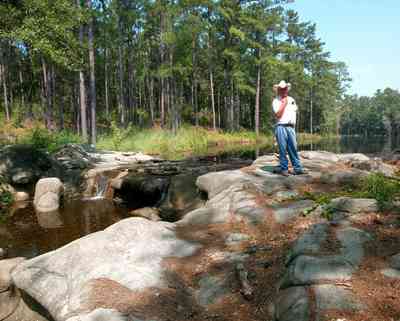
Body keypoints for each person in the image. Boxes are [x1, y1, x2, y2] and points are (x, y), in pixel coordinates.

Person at [272, 80, 306, 176]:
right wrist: (284, 103)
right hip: (281, 126)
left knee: (293, 149)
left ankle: (298, 168)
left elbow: (294, 111)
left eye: (285, 89)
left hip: (291, 127)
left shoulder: (292, 99)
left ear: (287, 89)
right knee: (282, 149)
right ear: (278, 90)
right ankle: (284, 169)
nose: (283, 90)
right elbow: (278, 115)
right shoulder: (276, 101)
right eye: (281, 89)